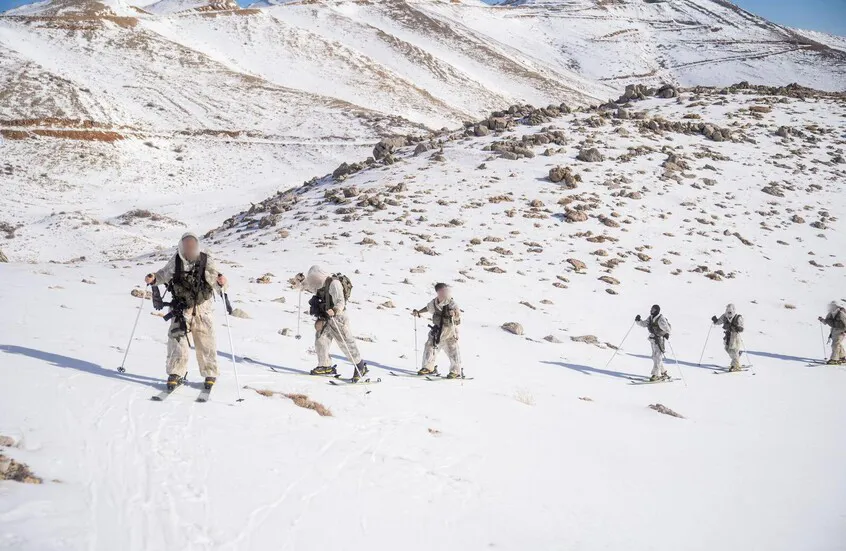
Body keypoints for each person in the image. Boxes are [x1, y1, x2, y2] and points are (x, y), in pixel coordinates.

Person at [145, 232, 227, 392]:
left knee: (206, 342)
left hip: (202, 309)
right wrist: (153, 278)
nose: (189, 248)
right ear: (181, 246)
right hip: (180, 310)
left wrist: (222, 283)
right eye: (186, 245)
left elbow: (216, 279)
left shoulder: (205, 260)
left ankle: (210, 374)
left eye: (192, 245)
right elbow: (163, 275)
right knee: (177, 342)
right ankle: (175, 373)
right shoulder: (176, 260)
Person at [301, 265, 368, 381]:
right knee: (320, 341)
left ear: (319, 275)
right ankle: (325, 365)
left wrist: (335, 310)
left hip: (338, 318)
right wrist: (301, 281)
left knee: (346, 343)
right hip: (325, 316)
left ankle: (360, 366)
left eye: (314, 277)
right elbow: (308, 286)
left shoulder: (334, 284)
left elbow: (340, 302)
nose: (313, 280)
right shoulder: (319, 284)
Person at [412, 283, 462, 379]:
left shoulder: (451, 303)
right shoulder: (434, 302)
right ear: (439, 292)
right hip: (437, 329)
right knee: (429, 347)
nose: (446, 292)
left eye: (446, 290)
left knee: (453, 350)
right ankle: (428, 368)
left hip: (449, 331)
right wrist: (418, 312)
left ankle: (455, 371)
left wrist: (454, 313)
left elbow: (457, 313)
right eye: (444, 290)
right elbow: (428, 308)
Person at [635, 304, 671, 381]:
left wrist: (666, 334)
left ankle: (656, 375)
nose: (651, 310)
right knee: (655, 356)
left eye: (653, 309)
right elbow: (644, 324)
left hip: (659, 339)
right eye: (651, 309)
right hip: (653, 339)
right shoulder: (651, 317)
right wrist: (638, 320)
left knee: (658, 357)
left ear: (657, 311)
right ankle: (663, 372)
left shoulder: (661, 319)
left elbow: (667, 329)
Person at [712, 303, 744, 371]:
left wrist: (737, 328)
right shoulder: (724, 316)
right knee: (727, 349)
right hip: (728, 335)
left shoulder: (738, 317)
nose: (729, 313)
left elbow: (742, 327)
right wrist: (715, 321)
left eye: (730, 311)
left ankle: (735, 366)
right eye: (728, 310)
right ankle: (737, 356)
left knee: (734, 349)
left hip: (735, 336)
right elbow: (719, 322)